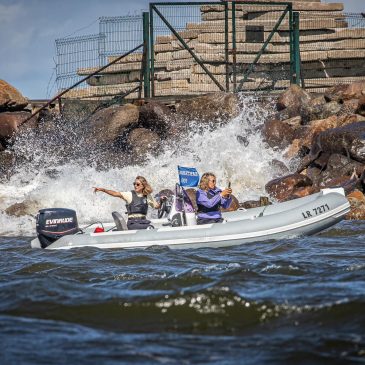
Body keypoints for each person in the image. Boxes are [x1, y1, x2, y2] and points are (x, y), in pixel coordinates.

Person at [93, 176, 163, 230]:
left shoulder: (147, 196)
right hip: (133, 223)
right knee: (150, 228)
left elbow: (157, 206)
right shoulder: (129, 194)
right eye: (134, 184)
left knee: (153, 227)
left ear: (143, 186)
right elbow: (115, 193)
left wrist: (162, 201)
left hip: (144, 221)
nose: (135, 185)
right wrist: (103, 190)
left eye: (138, 184)